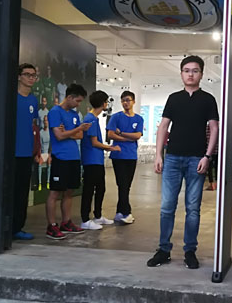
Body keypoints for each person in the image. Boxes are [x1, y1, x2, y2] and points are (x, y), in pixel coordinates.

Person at [147, 55, 218, 270]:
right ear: (181, 73)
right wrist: (159, 155)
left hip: (197, 159)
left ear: (201, 74)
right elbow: (163, 127)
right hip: (173, 158)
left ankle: (190, 251)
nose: (190, 74)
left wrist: (207, 156)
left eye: (195, 70)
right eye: (186, 70)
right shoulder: (174, 98)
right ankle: (164, 250)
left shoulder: (208, 99)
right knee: (167, 206)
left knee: (193, 208)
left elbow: (214, 128)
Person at [45, 83, 91, 240]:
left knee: (70, 191)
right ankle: (52, 225)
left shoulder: (74, 115)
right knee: (55, 192)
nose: (78, 104)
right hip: (60, 157)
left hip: (74, 157)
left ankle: (66, 222)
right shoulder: (55, 112)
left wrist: (68, 132)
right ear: (70, 97)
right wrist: (76, 129)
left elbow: (80, 136)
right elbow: (58, 136)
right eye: (77, 101)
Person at [80, 90, 121, 230]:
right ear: (103, 103)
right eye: (106, 102)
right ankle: (85, 219)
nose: (107, 104)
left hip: (96, 160)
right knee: (89, 190)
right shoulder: (90, 119)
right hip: (91, 160)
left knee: (101, 188)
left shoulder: (94, 118)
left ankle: (98, 216)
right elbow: (94, 142)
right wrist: (110, 148)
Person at [106, 91, 144, 224]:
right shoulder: (116, 117)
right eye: (123, 100)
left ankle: (119, 212)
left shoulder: (139, 119)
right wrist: (129, 138)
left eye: (128, 100)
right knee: (122, 184)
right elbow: (111, 134)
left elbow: (138, 135)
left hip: (131, 155)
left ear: (133, 101)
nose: (125, 103)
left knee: (126, 185)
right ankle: (127, 212)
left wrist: (121, 133)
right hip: (118, 155)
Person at [12, 63, 39, 240]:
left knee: (22, 193)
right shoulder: (11, 98)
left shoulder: (33, 100)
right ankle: (4, 227)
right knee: (9, 191)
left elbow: (34, 126)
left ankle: (17, 227)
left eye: (33, 75)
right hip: (10, 153)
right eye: (27, 74)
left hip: (26, 154)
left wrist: (36, 150)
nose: (31, 78)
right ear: (19, 76)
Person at [39, 115, 51, 190]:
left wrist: (50, 154)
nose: (46, 122)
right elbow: (40, 145)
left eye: (47, 120)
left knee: (49, 163)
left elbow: (51, 145)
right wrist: (40, 154)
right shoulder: (41, 132)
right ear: (43, 122)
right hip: (43, 153)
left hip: (48, 153)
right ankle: (40, 183)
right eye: (45, 120)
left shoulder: (50, 132)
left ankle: (48, 182)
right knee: (40, 164)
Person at [205, 123, 218, 191]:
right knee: (217, 167)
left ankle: (212, 184)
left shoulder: (208, 127)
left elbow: (206, 139)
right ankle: (217, 183)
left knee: (209, 167)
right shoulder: (219, 127)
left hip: (210, 151)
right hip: (218, 150)